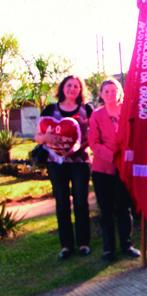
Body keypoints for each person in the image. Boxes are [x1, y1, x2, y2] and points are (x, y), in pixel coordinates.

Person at [35, 75, 92, 259]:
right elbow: (37, 136)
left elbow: (94, 132)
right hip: (56, 164)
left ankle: (83, 243)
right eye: (69, 85)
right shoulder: (51, 110)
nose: (72, 89)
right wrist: (46, 138)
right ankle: (66, 246)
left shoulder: (87, 110)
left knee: (81, 202)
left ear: (80, 90)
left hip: (80, 163)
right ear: (62, 88)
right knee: (62, 203)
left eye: (76, 86)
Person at [88, 78, 141, 262]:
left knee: (124, 207)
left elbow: (135, 136)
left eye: (114, 90)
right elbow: (93, 143)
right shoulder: (96, 115)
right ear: (101, 95)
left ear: (120, 92)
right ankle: (108, 248)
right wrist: (112, 157)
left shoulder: (128, 113)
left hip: (125, 168)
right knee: (106, 210)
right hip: (103, 169)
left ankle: (127, 244)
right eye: (106, 91)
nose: (110, 94)